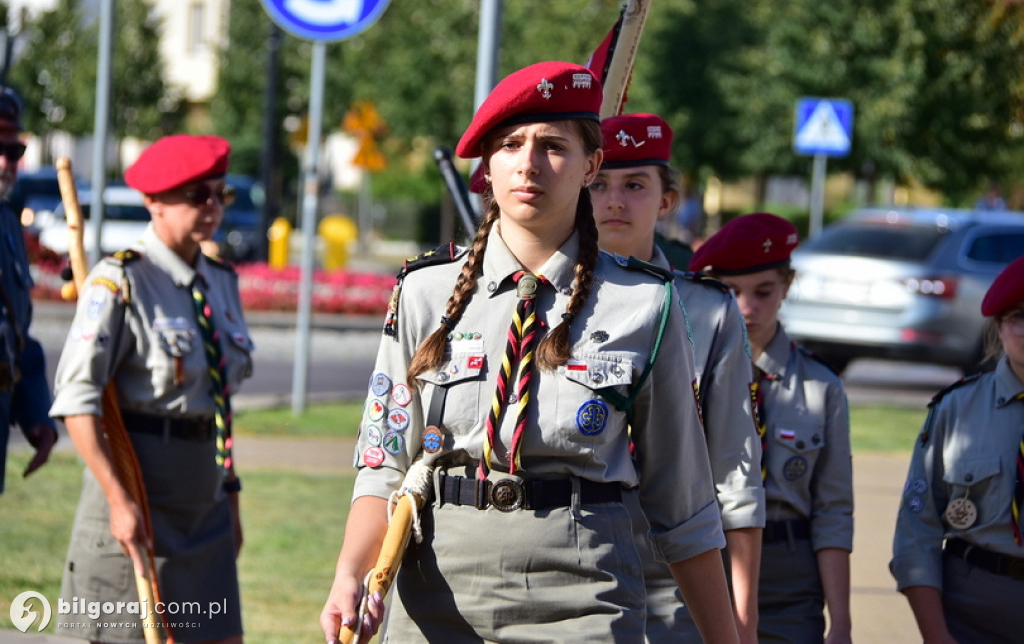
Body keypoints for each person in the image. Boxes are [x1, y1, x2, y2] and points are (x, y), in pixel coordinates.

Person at [319, 62, 739, 644]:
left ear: (591, 167)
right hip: (438, 595)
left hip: (586, 598)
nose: (529, 163)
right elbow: (384, 459)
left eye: (553, 145)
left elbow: (684, 501)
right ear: (486, 167)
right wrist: (349, 574)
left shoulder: (645, 303)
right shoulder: (424, 292)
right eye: (510, 144)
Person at [50, 135, 253, 643]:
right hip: (137, 486)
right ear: (154, 202)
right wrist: (119, 499)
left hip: (202, 496)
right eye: (195, 196)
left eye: (218, 194)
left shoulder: (222, 281)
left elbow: (219, 403)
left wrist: (229, 488)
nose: (210, 207)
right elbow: (78, 400)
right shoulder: (120, 281)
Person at [589, 113, 765, 643]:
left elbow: (736, 470)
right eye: (599, 184)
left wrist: (743, 615)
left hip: (678, 571)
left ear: (667, 200)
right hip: (578, 558)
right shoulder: (543, 301)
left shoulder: (707, 311)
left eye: (635, 185)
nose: (615, 200)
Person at [689, 213, 854, 644]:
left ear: (788, 286)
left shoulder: (821, 386)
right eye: (732, 292)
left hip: (789, 580)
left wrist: (842, 622)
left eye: (763, 292)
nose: (747, 308)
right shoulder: (687, 377)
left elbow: (833, 512)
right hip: (704, 563)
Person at [891, 255, 1024, 643]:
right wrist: (936, 635)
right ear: (998, 326)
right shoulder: (956, 409)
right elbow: (917, 531)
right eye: (1019, 315)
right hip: (971, 614)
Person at [0, 86, 57, 494]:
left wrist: (37, 413)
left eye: (14, 151)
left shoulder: (8, 225)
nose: (6, 162)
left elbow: (17, 334)